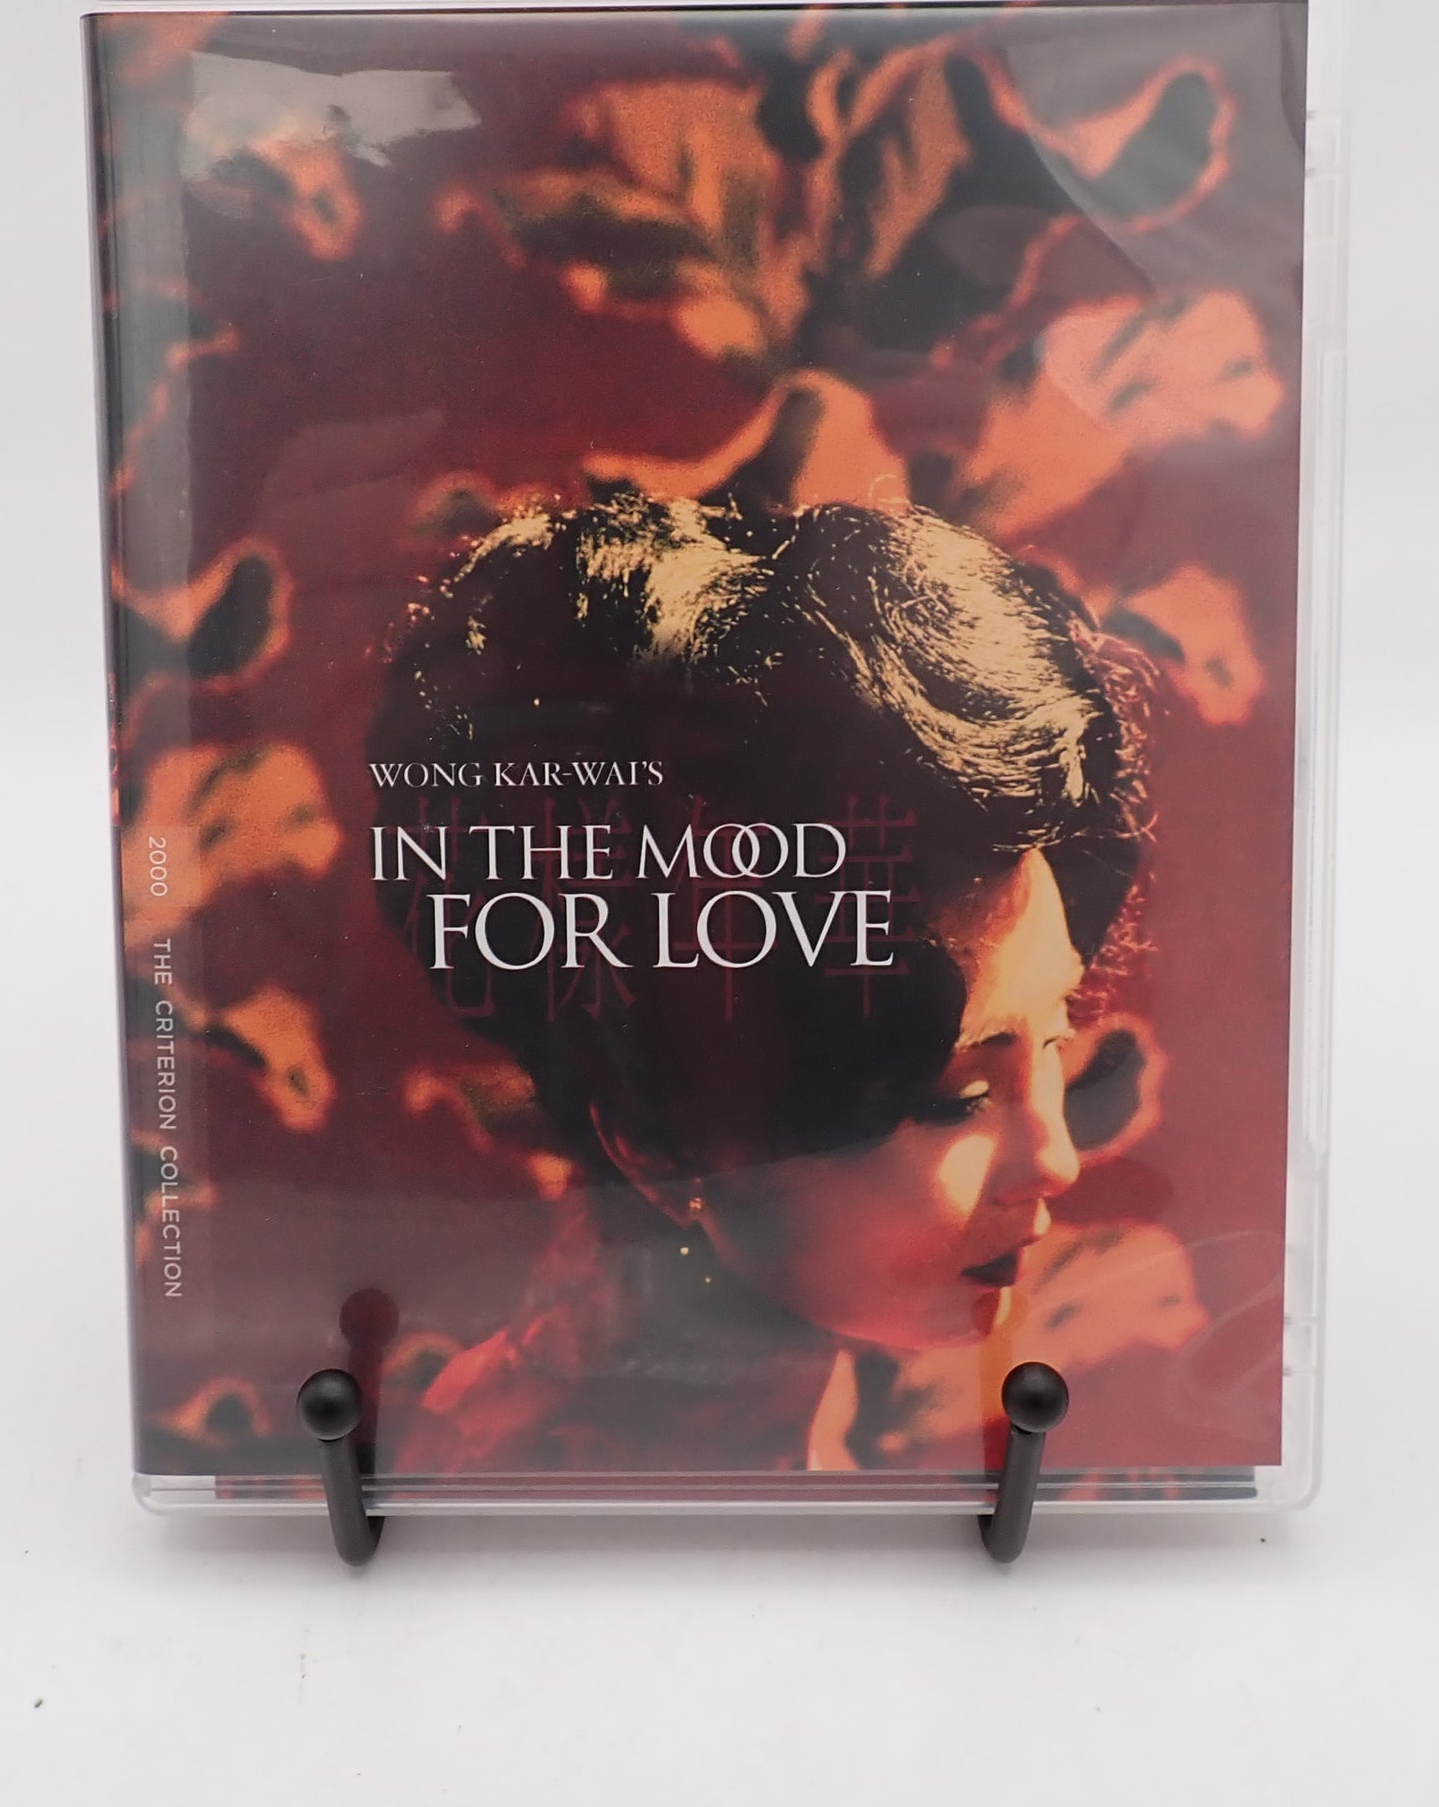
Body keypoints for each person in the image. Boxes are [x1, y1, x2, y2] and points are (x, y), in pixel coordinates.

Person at [366, 492, 1145, 1475]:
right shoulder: (581, 1482)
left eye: (1056, 1040)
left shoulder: (757, 1403)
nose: (1055, 1160)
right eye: (960, 1098)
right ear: (658, 1140)